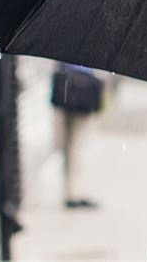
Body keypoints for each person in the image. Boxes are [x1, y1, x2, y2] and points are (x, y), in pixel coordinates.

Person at [51, 62, 105, 209]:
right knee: (76, 144)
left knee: (71, 144)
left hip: (69, 88)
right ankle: (73, 193)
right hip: (81, 88)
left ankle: (71, 191)